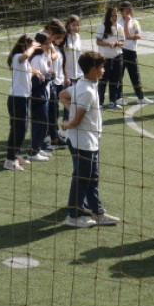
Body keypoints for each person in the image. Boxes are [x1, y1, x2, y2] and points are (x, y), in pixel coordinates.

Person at [59, 51, 119, 228]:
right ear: (92, 69)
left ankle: (97, 212)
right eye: (101, 67)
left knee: (91, 177)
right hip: (83, 141)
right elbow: (77, 119)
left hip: (89, 140)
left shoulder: (85, 84)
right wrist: (69, 122)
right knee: (82, 178)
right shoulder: (86, 90)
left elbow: (62, 94)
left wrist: (70, 112)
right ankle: (74, 216)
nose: (104, 70)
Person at [4, 34, 40, 171]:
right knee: (18, 130)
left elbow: (27, 70)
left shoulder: (24, 61)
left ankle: (15, 155)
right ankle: (9, 161)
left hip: (24, 98)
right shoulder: (17, 57)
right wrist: (32, 48)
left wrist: (36, 72)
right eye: (30, 46)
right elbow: (24, 56)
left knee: (21, 129)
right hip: (17, 99)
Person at [28, 32, 56, 162]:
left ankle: (37, 149)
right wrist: (48, 77)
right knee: (40, 125)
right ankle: (33, 152)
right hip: (37, 96)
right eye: (46, 44)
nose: (49, 46)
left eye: (50, 43)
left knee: (43, 124)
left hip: (44, 94)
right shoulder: (36, 59)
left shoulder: (43, 57)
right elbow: (34, 80)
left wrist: (49, 74)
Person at [117, 1, 152, 105]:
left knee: (135, 75)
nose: (129, 11)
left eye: (130, 9)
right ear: (122, 11)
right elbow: (125, 35)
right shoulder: (119, 22)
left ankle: (140, 97)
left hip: (132, 51)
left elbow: (139, 35)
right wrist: (127, 23)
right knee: (119, 75)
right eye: (126, 10)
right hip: (121, 51)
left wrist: (133, 36)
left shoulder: (135, 21)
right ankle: (118, 98)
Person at [96, 5, 125, 109]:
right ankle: (100, 103)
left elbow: (123, 42)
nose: (114, 18)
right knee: (103, 81)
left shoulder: (120, 27)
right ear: (108, 16)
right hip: (105, 58)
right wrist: (108, 44)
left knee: (115, 81)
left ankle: (113, 102)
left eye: (116, 15)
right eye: (112, 15)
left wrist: (116, 43)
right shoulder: (102, 26)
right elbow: (98, 41)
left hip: (118, 57)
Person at [46, 20, 68, 149]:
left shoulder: (57, 46)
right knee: (52, 111)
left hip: (59, 81)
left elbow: (61, 61)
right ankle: (53, 137)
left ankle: (53, 135)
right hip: (51, 83)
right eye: (59, 37)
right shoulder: (46, 45)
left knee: (55, 111)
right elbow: (51, 59)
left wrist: (65, 76)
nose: (60, 40)